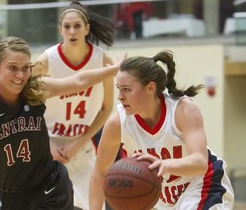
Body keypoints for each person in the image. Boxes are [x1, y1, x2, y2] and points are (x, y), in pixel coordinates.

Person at [0, 20, 124, 210]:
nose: (20, 75)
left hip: (50, 187)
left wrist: (113, 69)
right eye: (13, 67)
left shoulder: (35, 90)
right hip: (12, 196)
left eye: (26, 67)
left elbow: (79, 80)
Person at [89, 51, 235, 210]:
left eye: (126, 89)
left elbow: (200, 162)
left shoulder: (183, 110)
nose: (120, 96)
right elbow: (100, 172)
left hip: (204, 183)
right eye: (119, 88)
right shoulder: (117, 123)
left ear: (150, 87)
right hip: (163, 199)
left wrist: (164, 165)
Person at [36, 0, 122, 210]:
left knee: (95, 207)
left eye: (77, 26)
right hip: (47, 147)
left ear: (87, 28)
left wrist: (78, 143)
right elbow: (27, 109)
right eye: (67, 26)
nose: (72, 31)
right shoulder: (46, 61)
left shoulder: (102, 61)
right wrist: (48, 144)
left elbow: (105, 108)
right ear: (60, 30)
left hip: (81, 147)